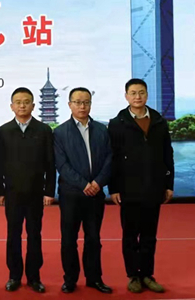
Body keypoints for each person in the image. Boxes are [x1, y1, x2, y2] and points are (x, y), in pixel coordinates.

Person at [108, 78, 175, 294]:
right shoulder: (117, 123)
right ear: (126, 96)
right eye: (133, 93)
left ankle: (147, 274)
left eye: (142, 92)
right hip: (128, 189)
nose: (138, 97)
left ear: (147, 95)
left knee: (149, 235)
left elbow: (167, 155)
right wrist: (113, 188)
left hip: (154, 188)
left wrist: (168, 183)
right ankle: (133, 276)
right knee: (130, 235)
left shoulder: (159, 121)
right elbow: (113, 158)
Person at [0, 87, 55, 293]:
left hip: (36, 193)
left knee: (34, 234)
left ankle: (34, 277)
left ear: (33, 105)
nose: (22, 105)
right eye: (18, 102)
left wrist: (49, 191)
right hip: (12, 193)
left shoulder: (43, 130)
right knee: (13, 234)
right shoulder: (3, 131)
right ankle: (14, 276)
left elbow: (50, 164)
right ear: (12, 106)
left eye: (26, 102)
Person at [53, 87, 112, 294]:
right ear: (69, 104)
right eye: (77, 102)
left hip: (96, 194)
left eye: (86, 102)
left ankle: (94, 279)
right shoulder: (60, 132)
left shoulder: (103, 130)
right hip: (71, 194)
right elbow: (62, 165)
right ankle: (70, 279)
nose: (82, 106)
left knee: (94, 238)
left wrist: (98, 183)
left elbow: (109, 159)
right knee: (69, 239)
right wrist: (83, 184)